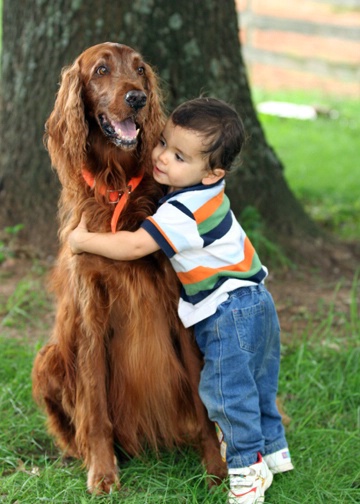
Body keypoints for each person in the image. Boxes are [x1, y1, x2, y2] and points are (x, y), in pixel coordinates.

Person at [69, 97, 293, 503]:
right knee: (260, 384)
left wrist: (83, 240)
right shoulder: (211, 195)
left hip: (228, 313)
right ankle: (276, 452)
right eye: (163, 144)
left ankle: (247, 473)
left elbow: (137, 244)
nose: (161, 159)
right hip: (259, 301)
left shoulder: (180, 212)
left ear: (211, 173)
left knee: (227, 392)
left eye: (178, 156)